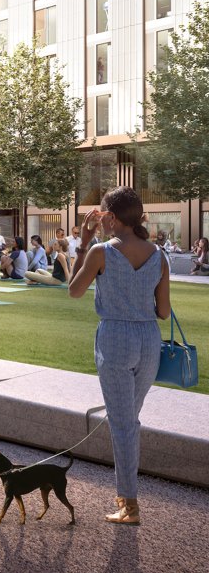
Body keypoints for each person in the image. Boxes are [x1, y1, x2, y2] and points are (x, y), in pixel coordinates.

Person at [68, 186, 170, 524]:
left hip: (115, 337)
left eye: (101, 214)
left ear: (110, 217)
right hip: (148, 340)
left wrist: (83, 241)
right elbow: (164, 312)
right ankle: (128, 500)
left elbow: (74, 291)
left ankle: (130, 504)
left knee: (124, 424)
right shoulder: (159, 254)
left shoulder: (99, 251)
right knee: (130, 421)